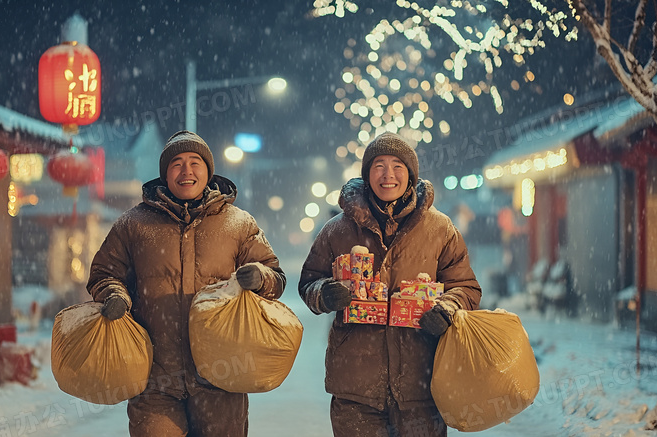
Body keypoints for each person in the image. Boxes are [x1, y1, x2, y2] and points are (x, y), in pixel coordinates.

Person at [87, 130, 286, 437]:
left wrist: (259, 278)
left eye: (195, 162)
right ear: (165, 173)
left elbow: (277, 277)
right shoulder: (134, 224)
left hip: (222, 375)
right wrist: (115, 295)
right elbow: (104, 273)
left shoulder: (237, 223)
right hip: (154, 378)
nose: (186, 170)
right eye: (176, 163)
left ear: (209, 171)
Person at [299, 132, 481, 436]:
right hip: (355, 387)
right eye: (378, 166)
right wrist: (325, 295)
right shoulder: (337, 229)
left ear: (410, 174)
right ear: (367, 174)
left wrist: (448, 308)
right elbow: (309, 282)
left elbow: (465, 286)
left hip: (421, 384)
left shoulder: (440, 229)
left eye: (397, 166)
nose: (388, 175)